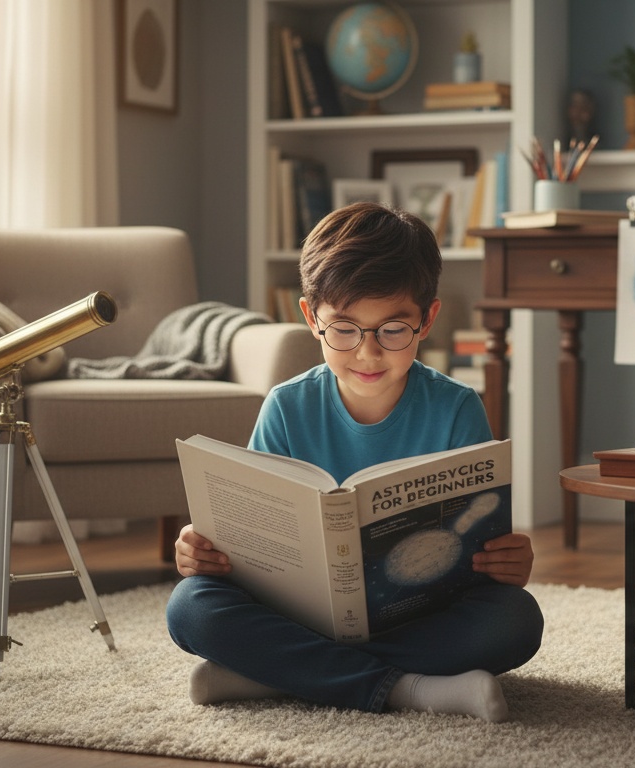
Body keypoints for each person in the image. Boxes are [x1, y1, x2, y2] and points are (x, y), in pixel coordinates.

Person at [167, 202, 544, 722]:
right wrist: (204, 550)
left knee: (515, 620)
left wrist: (507, 564)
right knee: (190, 606)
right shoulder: (285, 405)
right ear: (310, 318)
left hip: (416, 616)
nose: (367, 354)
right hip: (300, 615)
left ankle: (273, 676)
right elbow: (250, 544)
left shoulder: (457, 408)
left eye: (392, 330)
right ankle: (413, 689)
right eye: (344, 329)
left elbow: (477, 554)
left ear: (427, 318)